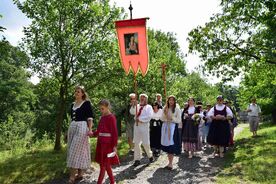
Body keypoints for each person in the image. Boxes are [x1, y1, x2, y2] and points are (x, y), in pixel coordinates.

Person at [67, 86, 95, 184]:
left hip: (82, 127)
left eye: (78, 91)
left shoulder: (86, 103)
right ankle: (80, 173)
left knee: (74, 150)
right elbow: (72, 118)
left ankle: (72, 176)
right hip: (73, 127)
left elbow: (90, 118)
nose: (76, 93)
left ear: (83, 93)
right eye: (75, 91)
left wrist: (90, 130)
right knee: (76, 150)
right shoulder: (72, 104)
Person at [91, 99, 119, 184]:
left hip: (108, 145)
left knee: (104, 165)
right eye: (100, 109)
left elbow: (114, 133)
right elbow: (98, 131)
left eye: (102, 108)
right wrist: (92, 134)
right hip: (101, 144)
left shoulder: (111, 117)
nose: (101, 110)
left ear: (107, 107)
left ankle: (99, 182)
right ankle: (112, 182)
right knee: (104, 165)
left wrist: (114, 145)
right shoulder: (102, 117)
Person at [130, 94, 154, 166]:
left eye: (143, 98)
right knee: (136, 143)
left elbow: (149, 116)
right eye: (141, 98)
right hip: (137, 126)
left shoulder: (149, 107)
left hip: (144, 126)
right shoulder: (137, 106)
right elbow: (132, 112)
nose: (142, 99)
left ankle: (150, 155)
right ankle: (137, 159)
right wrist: (133, 105)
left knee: (145, 143)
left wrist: (140, 119)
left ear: (146, 99)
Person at [161, 95, 182, 170]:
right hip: (165, 127)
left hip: (173, 128)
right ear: (168, 101)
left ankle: (170, 163)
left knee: (171, 145)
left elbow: (179, 120)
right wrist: (165, 115)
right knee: (167, 145)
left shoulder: (177, 109)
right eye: (170, 100)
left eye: (173, 100)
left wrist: (171, 117)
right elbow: (162, 118)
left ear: (174, 101)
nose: (171, 101)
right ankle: (169, 162)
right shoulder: (165, 108)